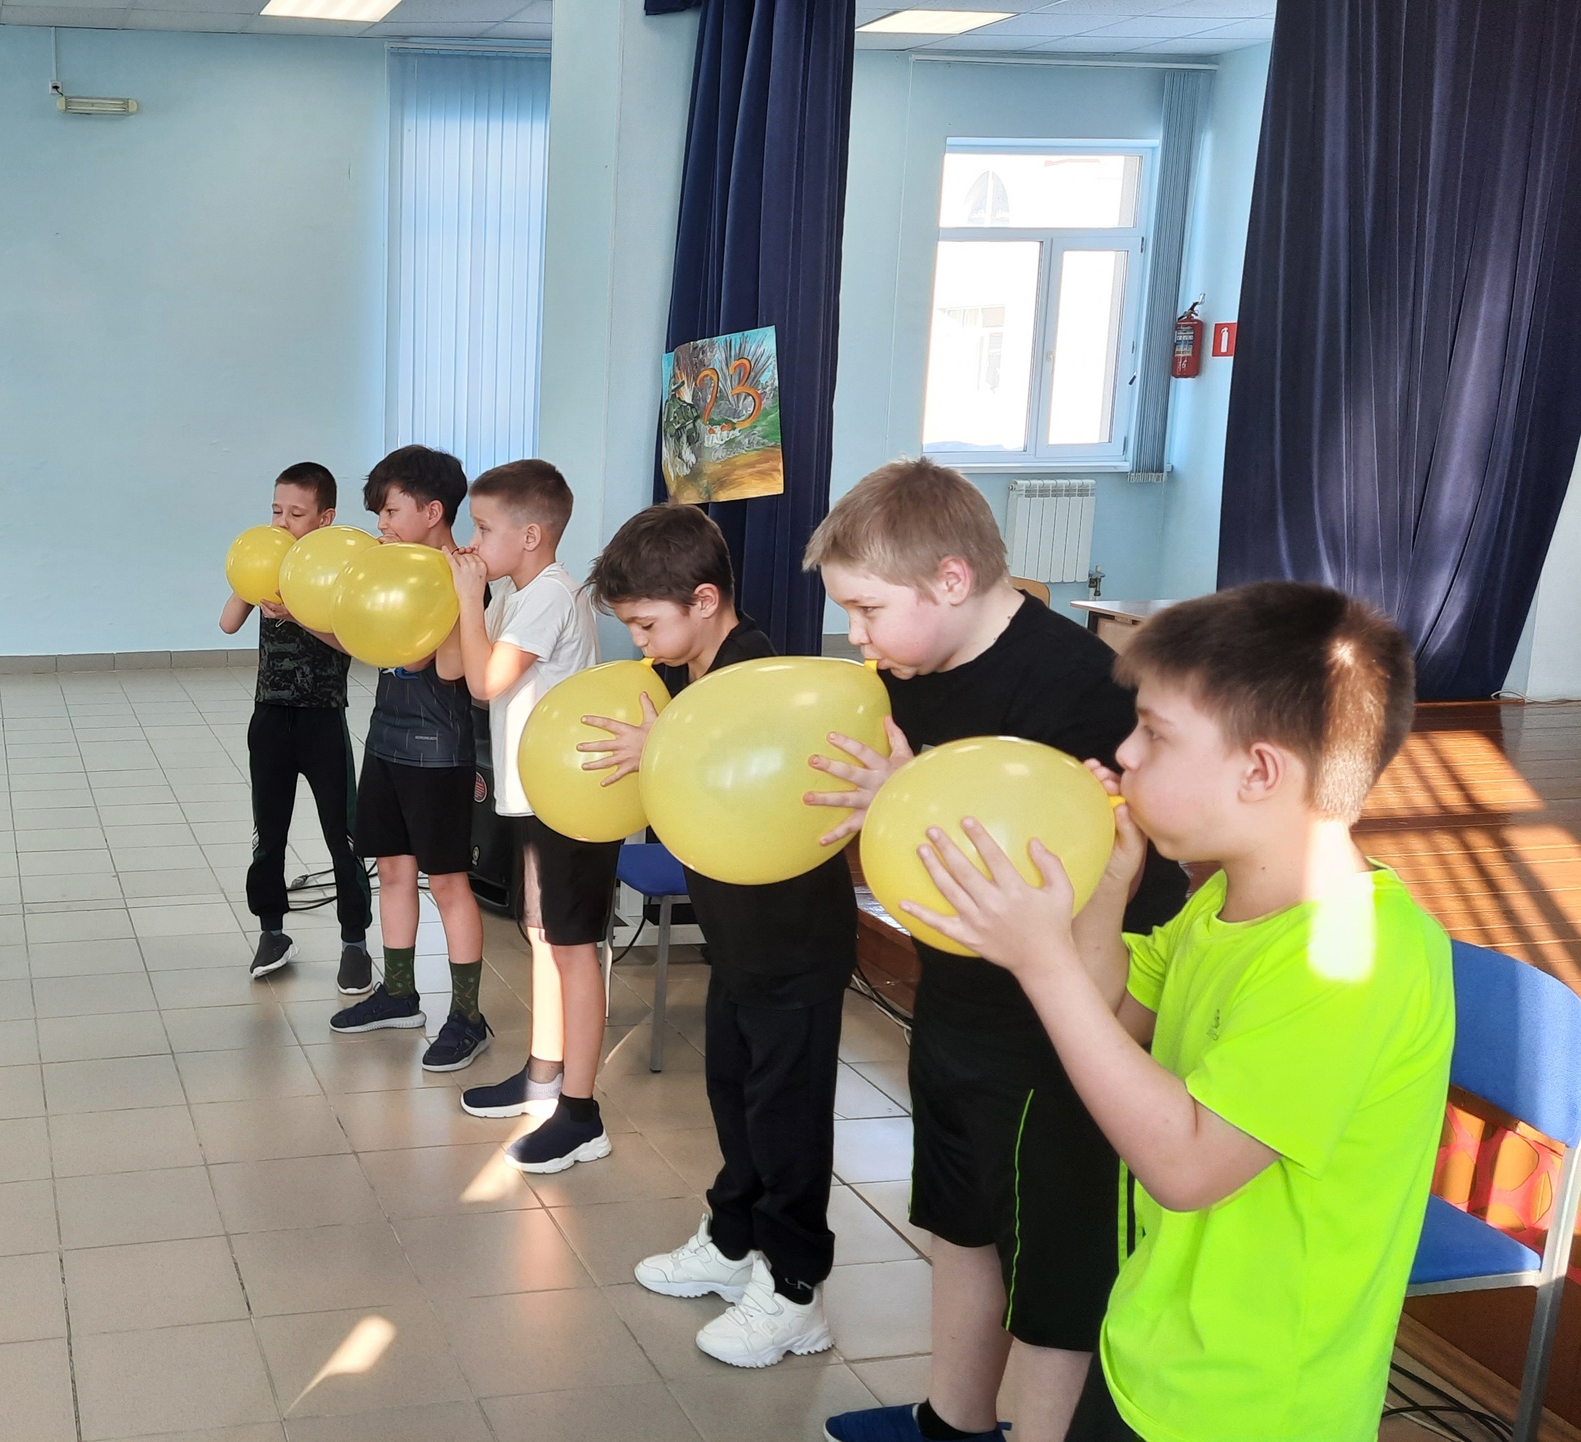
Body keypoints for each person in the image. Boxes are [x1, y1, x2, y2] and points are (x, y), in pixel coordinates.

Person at [901, 582, 1450, 1442]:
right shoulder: (1225, 901)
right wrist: (1104, 889)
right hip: (1152, 1348)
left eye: (1155, 734)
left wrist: (1040, 959)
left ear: (1260, 771)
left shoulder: (1352, 957)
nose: (1123, 751)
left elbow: (1188, 1168)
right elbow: (1115, 1012)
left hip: (1248, 1406)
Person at [805, 460, 1190, 1442]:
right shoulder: (908, 676)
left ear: (949, 579)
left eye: (867, 609)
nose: (857, 635)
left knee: (1052, 1268)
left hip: (1068, 1021)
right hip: (958, 995)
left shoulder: (1079, 684)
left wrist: (910, 790)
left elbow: (1064, 856)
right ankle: (953, 1419)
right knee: (959, 1219)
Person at [577, 504, 859, 1367]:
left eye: (646, 624)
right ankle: (735, 1241)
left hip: (793, 941)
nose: (639, 643)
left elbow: (754, 780)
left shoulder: (755, 675)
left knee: (787, 1116)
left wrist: (668, 747)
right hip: (738, 936)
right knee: (735, 1093)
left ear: (705, 601)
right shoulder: (686, 676)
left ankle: (796, 1289)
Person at [443, 460, 615, 1171]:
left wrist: (469, 594)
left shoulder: (548, 595)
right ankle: (545, 1075)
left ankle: (581, 1113)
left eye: (484, 529)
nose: (472, 542)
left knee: (573, 949)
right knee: (544, 939)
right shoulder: (516, 594)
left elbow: (486, 682)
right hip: (535, 796)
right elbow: (454, 667)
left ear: (532, 535)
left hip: (568, 801)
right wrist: (460, 595)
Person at [326, 445, 492, 1072]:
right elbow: (366, 641)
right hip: (386, 740)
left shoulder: (465, 575)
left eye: (391, 511)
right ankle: (399, 994)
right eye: (379, 514)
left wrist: (445, 595)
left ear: (433, 511)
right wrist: (304, 615)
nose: (382, 525)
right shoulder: (389, 570)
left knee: (447, 882)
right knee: (393, 870)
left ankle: (468, 1017)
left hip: (440, 755)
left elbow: (440, 664)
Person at [216, 461, 372, 988]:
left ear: (325, 519)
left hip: (323, 721)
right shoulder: (269, 568)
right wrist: (250, 579)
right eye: (276, 511)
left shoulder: (338, 575)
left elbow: (354, 643)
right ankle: (271, 931)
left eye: (296, 514)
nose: (283, 523)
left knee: (343, 836)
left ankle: (355, 943)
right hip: (269, 719)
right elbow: (228, 623)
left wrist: (299, 613)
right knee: (269, 833)